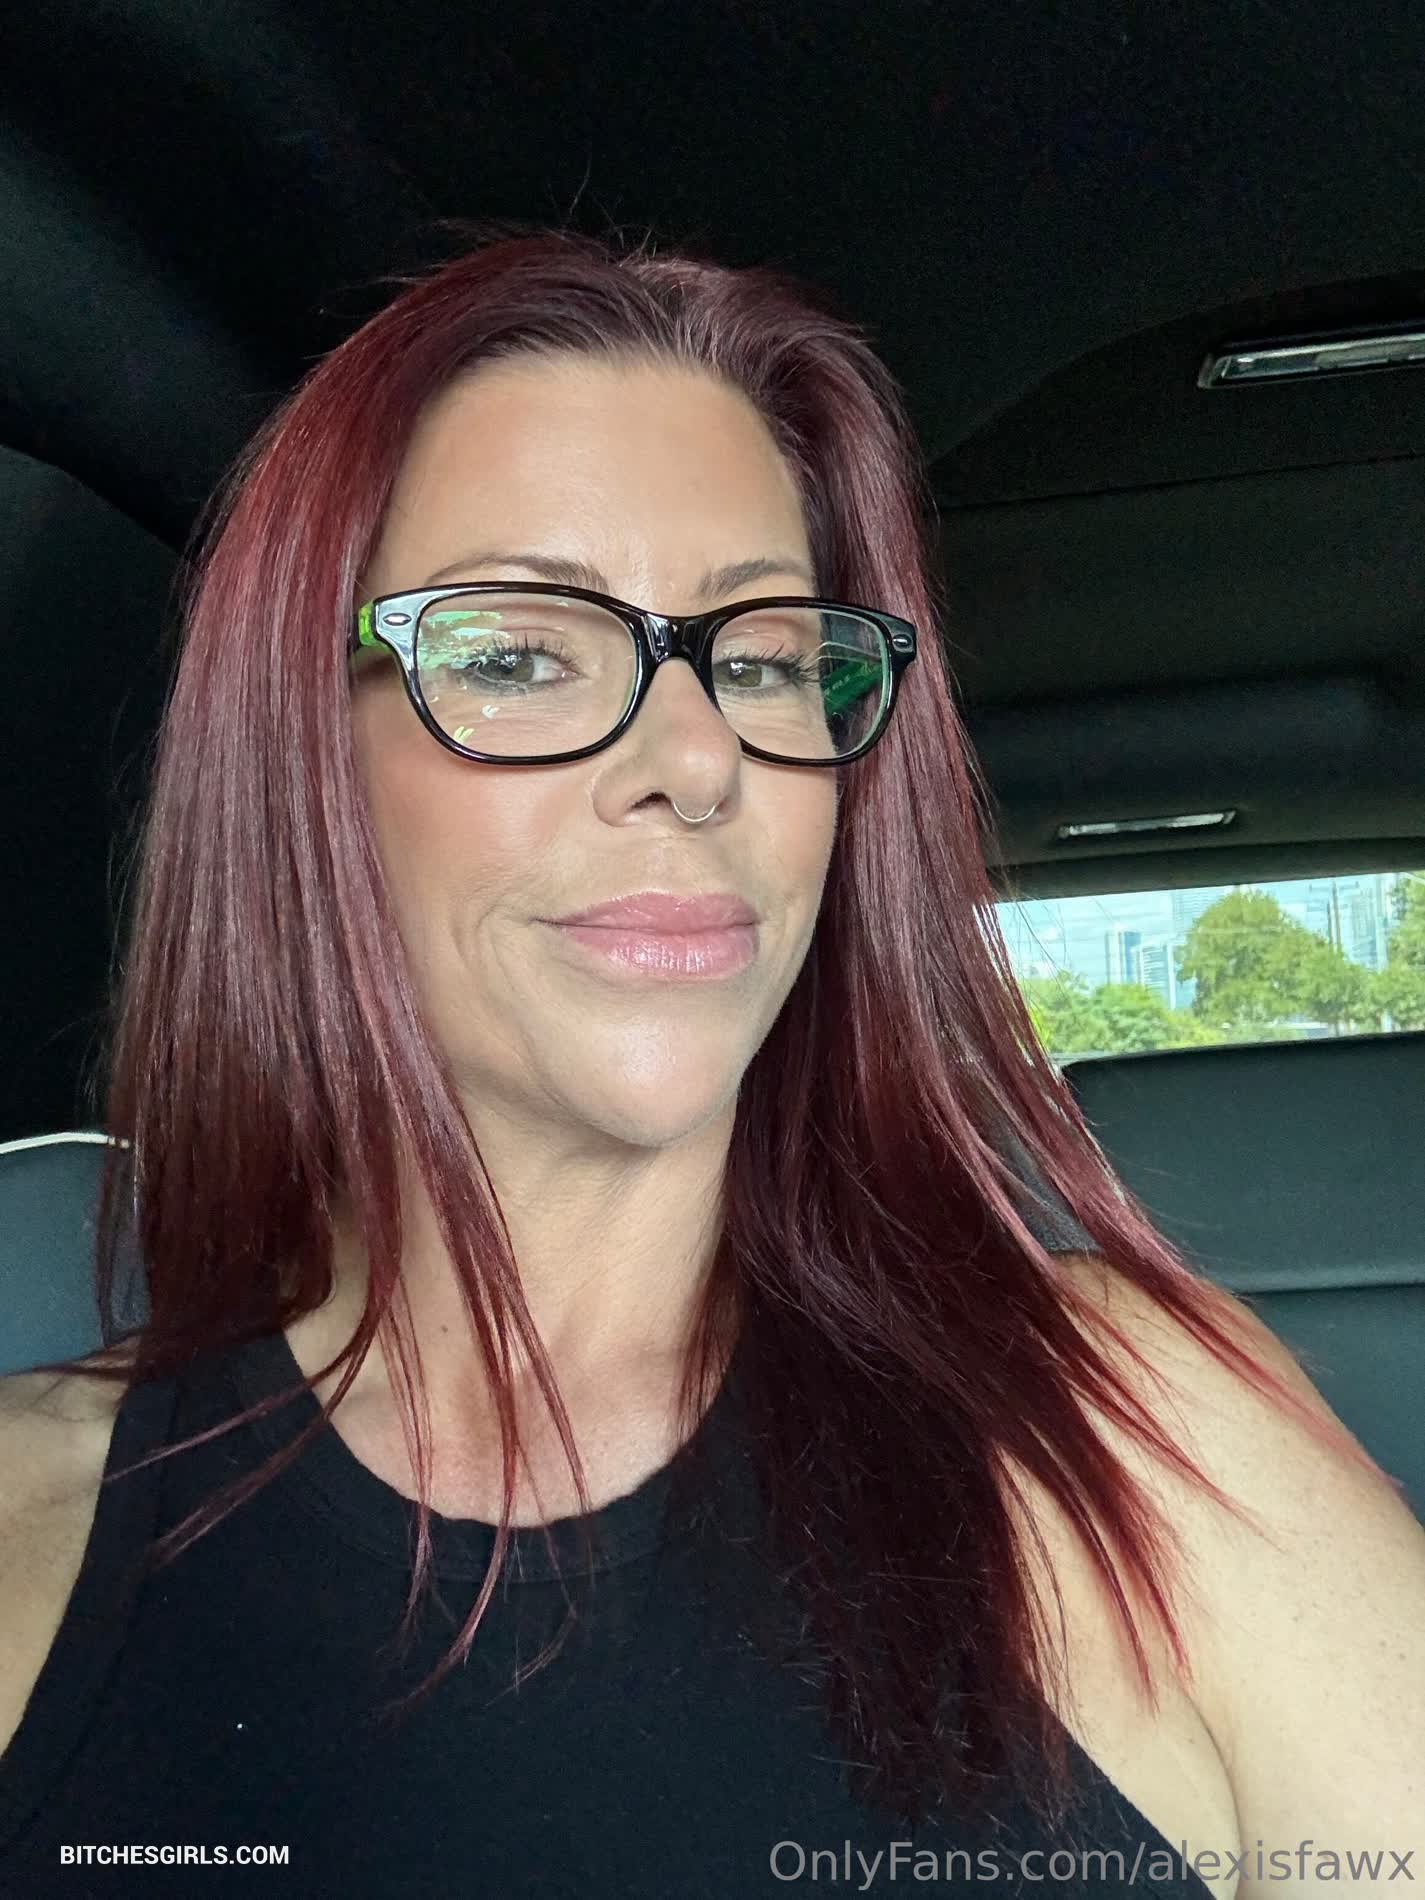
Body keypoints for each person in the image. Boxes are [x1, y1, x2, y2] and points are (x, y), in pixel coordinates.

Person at [0, 223, 1421, 1898]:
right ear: (300, 762)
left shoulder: (1142, 1436)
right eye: (518, 653)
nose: (695, 755)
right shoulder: (26, 1515)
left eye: (759, 660)